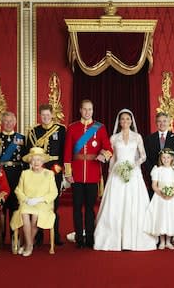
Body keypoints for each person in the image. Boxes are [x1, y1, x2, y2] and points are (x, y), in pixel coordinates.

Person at [94, 109, 157, 251]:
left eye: (128, 119)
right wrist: (111, 173)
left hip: (133, 173)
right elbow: (113, 158)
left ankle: (133, 239)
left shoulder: (137, 137)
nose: (125, 121)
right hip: (117, 174)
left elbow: (143, 156)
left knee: (134, 205)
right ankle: (114, 239)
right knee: (115, 205)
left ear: (131, 121)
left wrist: (132, 165)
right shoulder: (114, 138)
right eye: (122, 119)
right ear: (119, 121)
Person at [63, 99, 113, 249]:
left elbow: (109, 148)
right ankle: (79, 238)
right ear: (80, 110)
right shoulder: (72, 128)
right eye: (85, 109)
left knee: (90, 208)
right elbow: (67, 152)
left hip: (92, 173)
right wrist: (67, 172)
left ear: (93, 110)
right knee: (77, 208)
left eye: (90, 109)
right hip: (77, 173)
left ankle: (90, 238)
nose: (87, 112)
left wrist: (103, 155)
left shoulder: (100, 128)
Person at [26, 104, 66, 246]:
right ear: (39, 116)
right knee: (37, 202)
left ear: (52, 115)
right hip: (39, 170)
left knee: (53, 204)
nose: (46, 117)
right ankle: (38, 237)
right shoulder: (34, 131)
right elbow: (30, 153)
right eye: (43, 115)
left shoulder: (60, 130)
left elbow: (63, 152)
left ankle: (55, 235)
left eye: (48, 115)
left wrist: (60, 170)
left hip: (54, 169)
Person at [10, 147, 58, 257]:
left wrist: (39, 199)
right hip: (27, 202)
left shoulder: (49, 174)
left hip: (43, 204)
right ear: (30, 161)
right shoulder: (25, 173)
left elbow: (53, 192)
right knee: (24, 214)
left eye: (38, 160)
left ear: (42, 161)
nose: (36, 162)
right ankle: (29, 244)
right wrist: (27, 199)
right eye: (34, 160)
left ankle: (28, 245)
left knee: (36, 215)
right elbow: (18, 190)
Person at [0, 111, 27, 243]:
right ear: (1, 123)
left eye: (11, 121)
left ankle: (14, 236)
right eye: (6, 121)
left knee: (15, 206)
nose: (8, 124)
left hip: (16, 175)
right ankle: (0, 236)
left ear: (15, 122)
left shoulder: (22, 138)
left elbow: (26, 160)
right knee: (1, 206)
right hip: (0, 175)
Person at [143, 148, 174, 250]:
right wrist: (161, 193)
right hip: (160, 197)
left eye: (168, 157)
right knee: (161, 217)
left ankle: (168, 241)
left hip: (173, 198)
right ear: (160, 159)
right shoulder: (157, 170)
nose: (166, 159)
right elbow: (154, 185)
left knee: (171, 217)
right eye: (163, 157)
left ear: (172, 158)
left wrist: (172, 194)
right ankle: (162, 241)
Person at [144, 112, 174, 199]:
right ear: (156, 123)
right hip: (155, 175)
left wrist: (173, 170)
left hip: (170, 176)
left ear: (169, 122)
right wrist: (153, 171)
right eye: (159, 121)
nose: (162, 123)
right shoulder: (149, 138)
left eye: (164, 121)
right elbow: (146, 158)